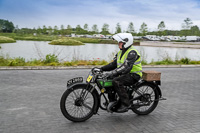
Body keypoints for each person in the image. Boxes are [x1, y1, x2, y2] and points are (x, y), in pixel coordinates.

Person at [99, 33, 143, 112]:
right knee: (108, 79)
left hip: (134, 75)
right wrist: (101, 69)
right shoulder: (120, 52)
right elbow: (113, 64)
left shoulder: (132, 52)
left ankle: (125, 104)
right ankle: (112, 101)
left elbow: (126, 67)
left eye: (120, 42)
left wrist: (112, 73)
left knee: (117, 81)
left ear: (126, 42)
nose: (118, 44)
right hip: (125, 73)